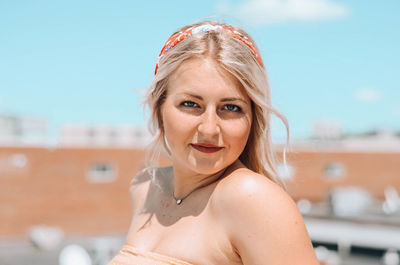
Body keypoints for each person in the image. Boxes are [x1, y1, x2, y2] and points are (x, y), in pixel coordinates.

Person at [108, 21, 319, 265]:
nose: (209, 128)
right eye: (190, 104)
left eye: (231, 107)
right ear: (160, 107)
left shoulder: (252, 198)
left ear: (253, 118)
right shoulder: (145, 186)